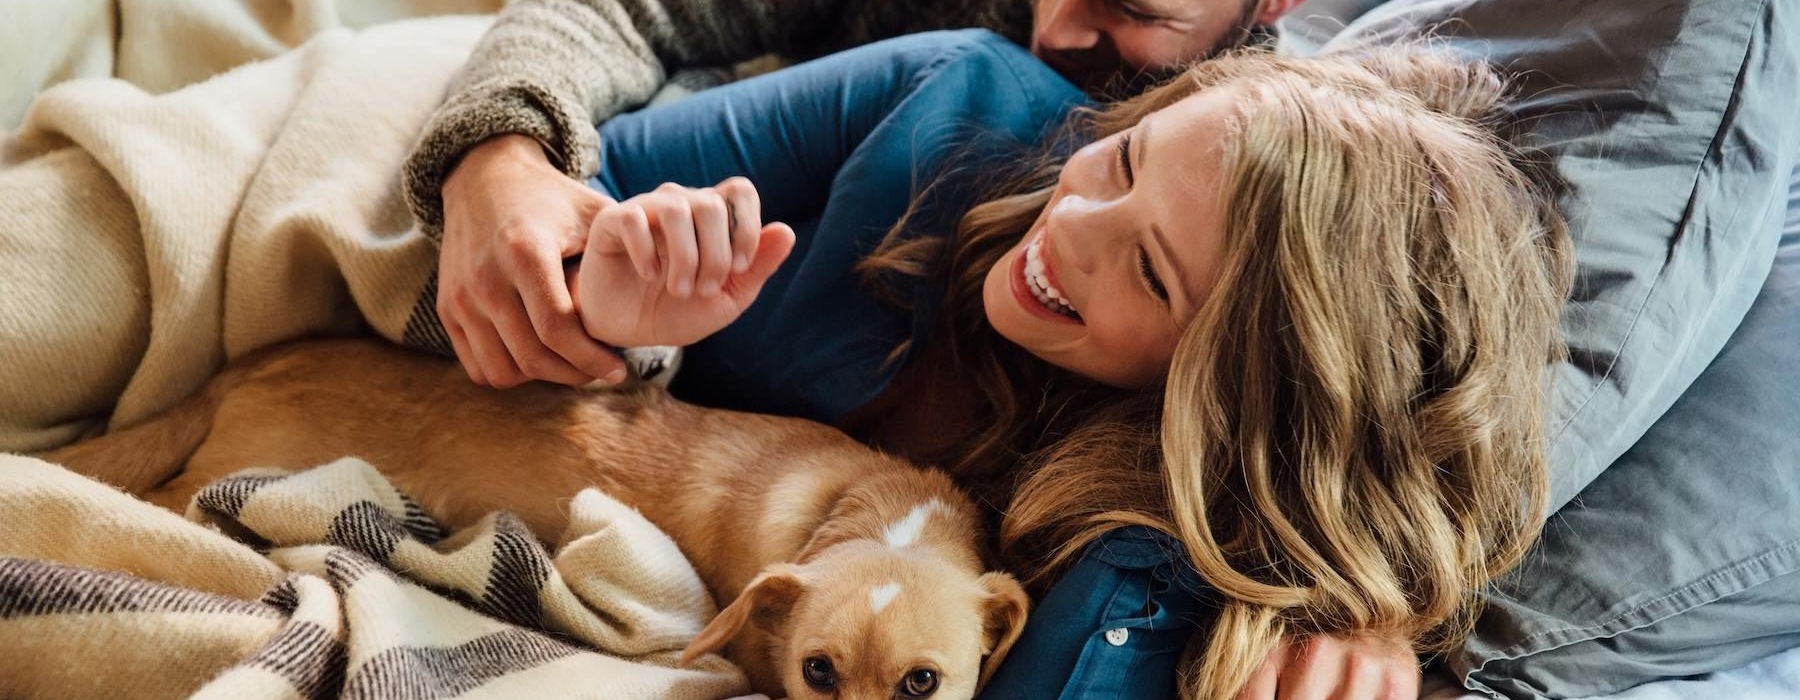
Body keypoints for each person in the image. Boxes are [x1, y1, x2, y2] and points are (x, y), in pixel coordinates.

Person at [444, 28, 1569, 699]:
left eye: (1151, 273)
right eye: (1124, 160)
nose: (1069, 228)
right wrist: (520, 193)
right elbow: (566, 173)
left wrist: (1365, 617)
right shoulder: (949, 104)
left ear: (1214, 388)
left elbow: (1341, 521)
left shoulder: (1134, 522)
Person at [401, 0, 1309, 391]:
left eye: (1137, 9)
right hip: (682, 224)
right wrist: (499, 155)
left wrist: (1364, 612)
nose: (1059, 27)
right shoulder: (952, 73)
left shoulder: (1296, 199)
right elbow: (628, 13)